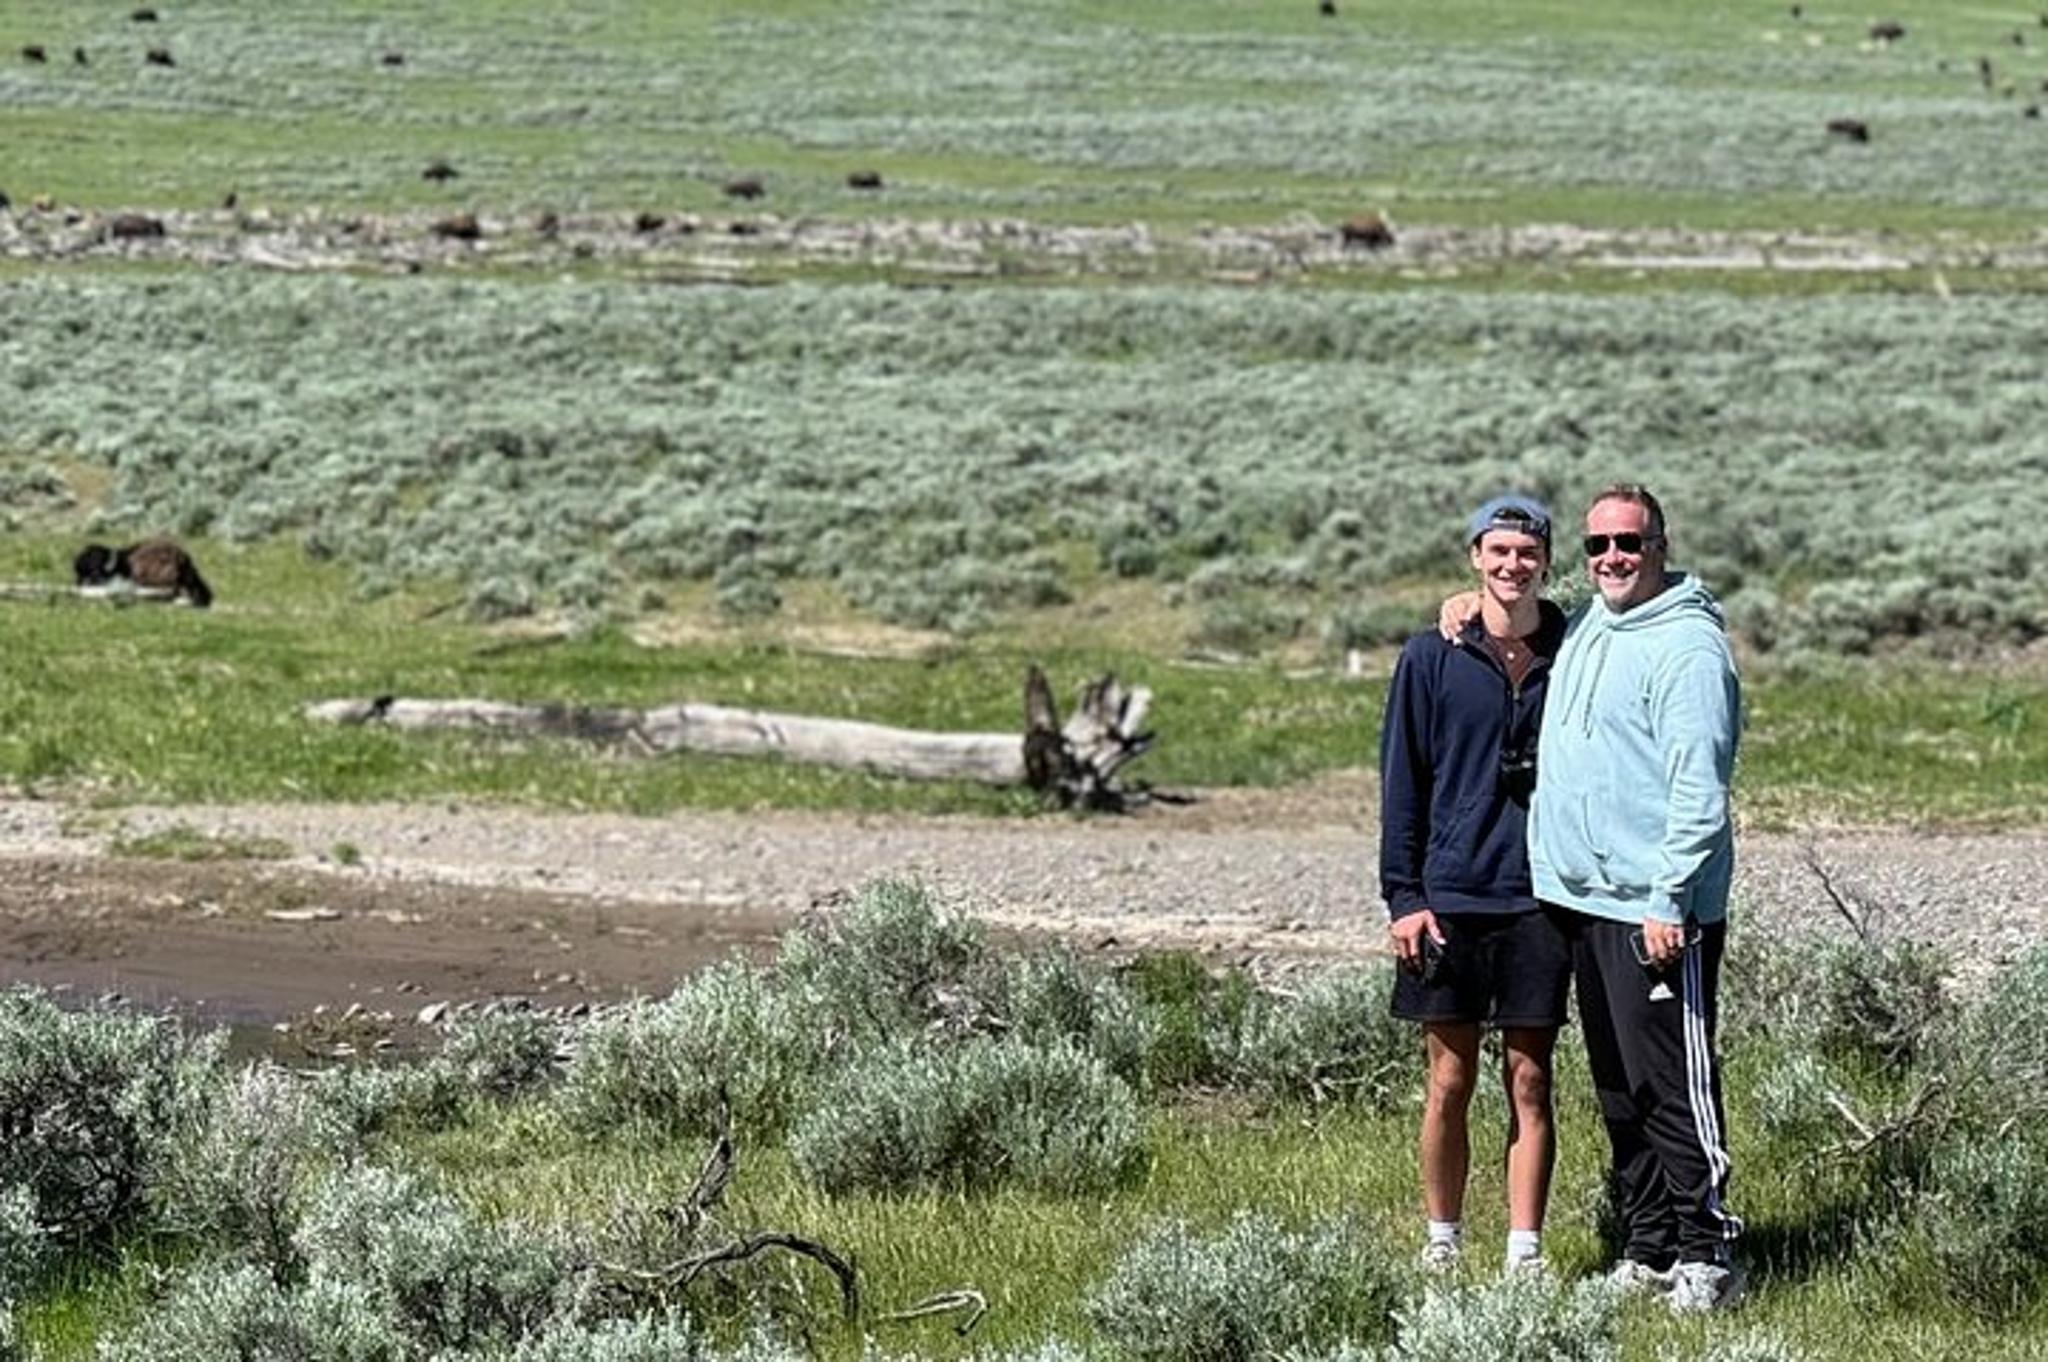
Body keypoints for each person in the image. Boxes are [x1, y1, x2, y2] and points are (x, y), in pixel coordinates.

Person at [1442, 484, 1744, 1313]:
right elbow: (1517, 612)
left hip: (1654, 906)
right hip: (1583, 900)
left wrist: (1668, 898)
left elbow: (1698, 790)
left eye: (1629, 543)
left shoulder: (1686, 649)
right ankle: (1647, 1247)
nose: (1612, 556)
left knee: (1674, 1081)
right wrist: (1468, 601)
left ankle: (1707, 1252)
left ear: (1661, 546)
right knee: (1618, 1086)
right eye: (1598, 544)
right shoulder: (1593, 628)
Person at [1380, 494, 1571, 1274]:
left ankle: (1524, 1251)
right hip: (1450, 895)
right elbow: (1404, 781)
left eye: (1526, 553)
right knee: (1449, 1077)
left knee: (1531, 1078)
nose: (1511, 566)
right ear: (1474, 558)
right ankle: (1443, 1241)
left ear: (1546, 563)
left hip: (1542, 897)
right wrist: (1404, 896)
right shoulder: (1432, 655)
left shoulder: (1576, 646)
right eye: (1497, 553)